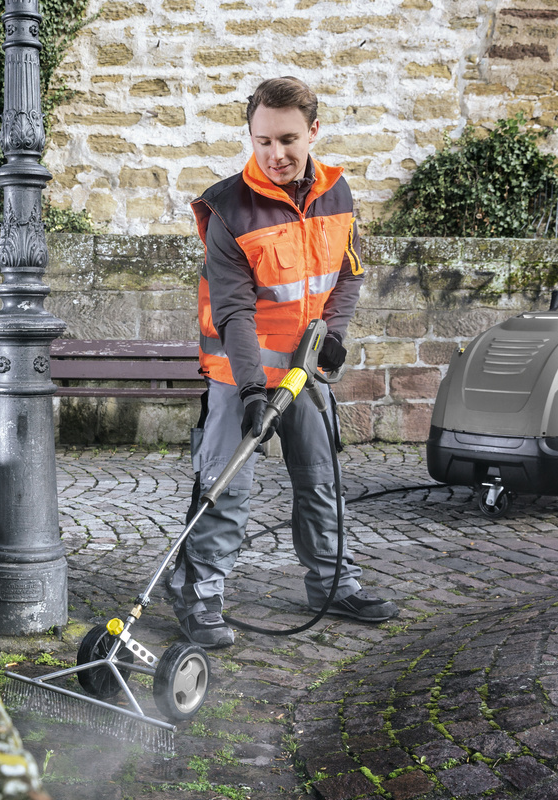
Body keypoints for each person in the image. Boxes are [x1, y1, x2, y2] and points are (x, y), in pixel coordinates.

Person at [169, 76, 398, 649]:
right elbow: (234, 313)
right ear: (250, 135)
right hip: (238, 376)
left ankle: (334, 585)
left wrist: (333, 336)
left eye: (289, 140)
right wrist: (251, 392)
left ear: (314, 132)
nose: (276, 155)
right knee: (227, 485)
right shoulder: (226, 211)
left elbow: (347, 275)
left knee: (321, 481)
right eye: (263, 141)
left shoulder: (337, 193)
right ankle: (199, 597)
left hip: (305, 371)